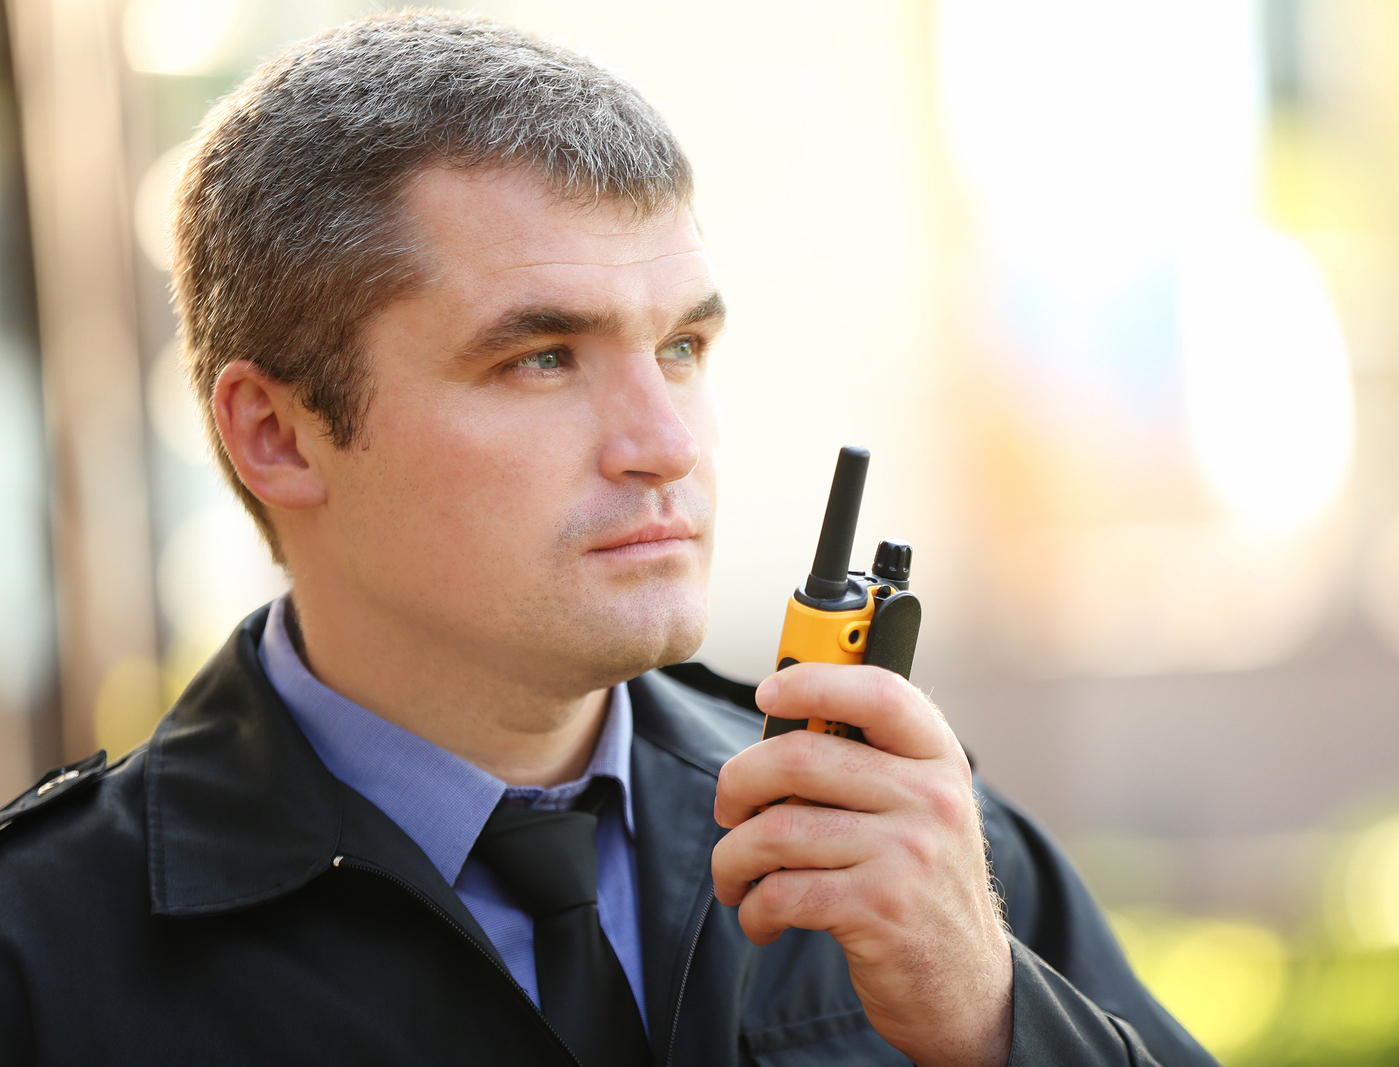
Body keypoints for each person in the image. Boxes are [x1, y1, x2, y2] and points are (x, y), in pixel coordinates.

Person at [0, 12, 1219, 1067]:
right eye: (540, 359)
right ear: (278, 433)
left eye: (683, 348)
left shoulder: (918, 842)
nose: (665, 442)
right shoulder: (42, 956)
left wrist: (991, 1021)